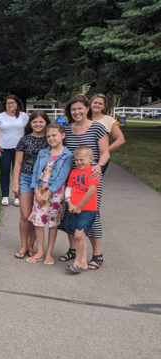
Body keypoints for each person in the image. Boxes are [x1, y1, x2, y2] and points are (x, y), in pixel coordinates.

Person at [59, 95, 109, 270]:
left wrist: (99, 166)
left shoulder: (97, 128)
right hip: (71, 178)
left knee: (91, 215)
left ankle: (97, 254)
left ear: (87, 109)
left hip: (91, 178)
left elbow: (105, 152)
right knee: (70, 214)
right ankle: (73, 250)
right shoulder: (67, 129)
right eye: (73, 109)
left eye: (80, 108)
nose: (77, 112)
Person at [26, 123, 73, 264]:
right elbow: (35, 172)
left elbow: (62, 177)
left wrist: (48, 194)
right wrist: (36, 190)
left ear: (63, 135)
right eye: (48, 136)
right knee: (39, 222)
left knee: (53, 223)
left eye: (54, 135)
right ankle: (40, 251)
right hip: (40, 192)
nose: (51, 138)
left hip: (55, 194)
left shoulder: (67, 155)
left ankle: (49, 253)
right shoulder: (43, 153)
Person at [12, 110, 50, 258]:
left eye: (41, 121)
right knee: (25, 214)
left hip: (43, 181)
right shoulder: (24, 140)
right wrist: (15, 183)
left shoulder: (50, 140)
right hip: (26, 178)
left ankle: (31, 245)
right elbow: (17, 163)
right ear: (30, 124)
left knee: (37, 215)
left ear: (46, 123)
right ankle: (23, 246)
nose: (38, 124)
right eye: (35, 122)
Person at [64, 146, 100, 273]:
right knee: (79, 236)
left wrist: (79, 206)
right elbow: (68, 188)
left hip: (88, 209)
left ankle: (77, 262)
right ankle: (83, 262)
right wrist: (69, 203)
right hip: (74, 208)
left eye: (81, 159)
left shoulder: (93, 172)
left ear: (91, 159)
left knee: (79, 234)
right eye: (76, 160)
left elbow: (91, 191)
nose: (78, 162)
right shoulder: (74, 173)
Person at [0, 95, 30, 207]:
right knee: (4, 172)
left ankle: (18, 196)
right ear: (5, 105)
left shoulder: (23, 116)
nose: (10, 105)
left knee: (19, 172)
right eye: (8, 103)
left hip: (20, 149)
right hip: (4, 148)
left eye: (12, 102)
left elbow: (28, 130)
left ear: (17, 104)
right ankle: (5, 196)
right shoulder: (0, 116)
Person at [89, 93, 125, 174]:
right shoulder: (83, 117)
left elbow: (121, 139)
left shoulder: (109, 120)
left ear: (104, 106)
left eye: (100, 103)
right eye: (95, 102)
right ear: (90, 103)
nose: (97, 105)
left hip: (100, 159)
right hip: (81, 158)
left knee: (94, 183)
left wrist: (106, 151)